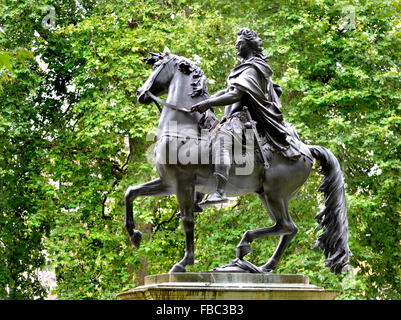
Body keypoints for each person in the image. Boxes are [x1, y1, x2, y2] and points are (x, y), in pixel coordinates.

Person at [191, 28, 300, 206]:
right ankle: (198, 194)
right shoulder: (244, 68)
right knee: (203, 139)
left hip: (247, 122)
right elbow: (227, 91)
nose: (236, 46)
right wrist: (207, 99)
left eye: (239, 43)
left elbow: (235, 96)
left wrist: (207, 104)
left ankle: (219, 192)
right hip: (235, 119)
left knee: (221, 139)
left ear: (249, 46)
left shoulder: (253, 68)